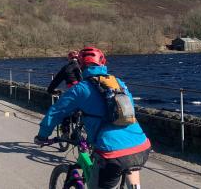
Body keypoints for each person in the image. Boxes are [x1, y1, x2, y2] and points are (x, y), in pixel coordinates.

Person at [35, 47, 150, 189]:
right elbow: (130, 109)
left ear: (81, 66)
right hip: (140, 145)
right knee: (131, 168)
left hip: (112, 151)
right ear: (102, 63)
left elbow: (55, 112)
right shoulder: (119, 83)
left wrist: (42, 136)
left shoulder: (80, 88)